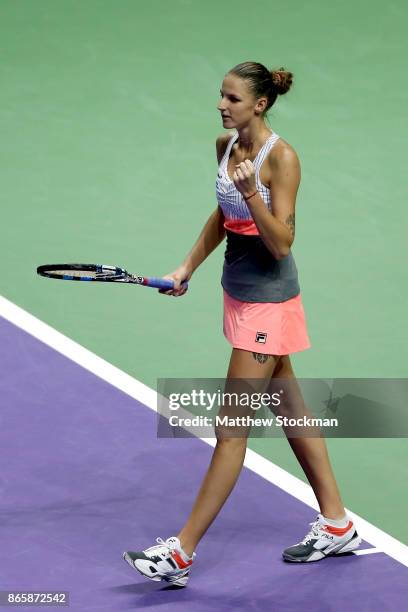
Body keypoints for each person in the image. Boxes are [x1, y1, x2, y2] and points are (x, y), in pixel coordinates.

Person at [123, 61, 361, 587]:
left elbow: (281, 243)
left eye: (231, 98)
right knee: (292, 409)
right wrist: (187, 266)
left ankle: (181, 553)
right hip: (238, 294)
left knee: (231, 431)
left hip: (268, 305)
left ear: (259, 104)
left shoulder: (283, 159)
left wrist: (254, 190)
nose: (221, 105)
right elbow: (221, 214)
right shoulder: (225, 146)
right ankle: (338, 523)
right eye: (220, 96)